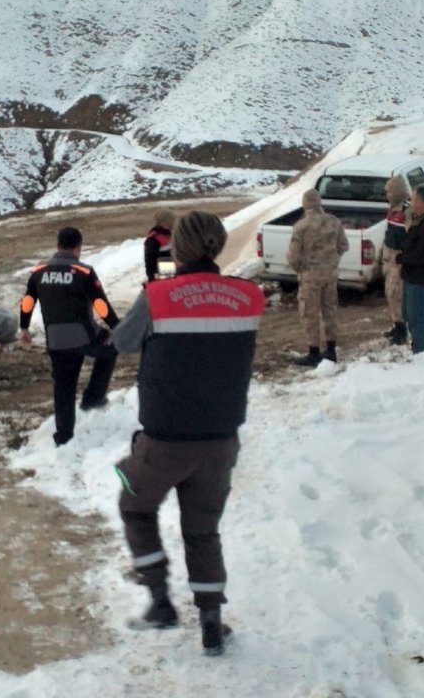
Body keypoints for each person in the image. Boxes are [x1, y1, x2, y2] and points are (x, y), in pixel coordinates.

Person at [112, 211, 264, 656]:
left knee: (133, 502)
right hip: (221, 440)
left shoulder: (157, 296)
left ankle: (160, 601)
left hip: (164, 439)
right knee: (203, 530)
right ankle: (212, 619)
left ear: (177, 247)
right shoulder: (249, 296)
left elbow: (122, 341)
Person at [19, 227, 119, 446]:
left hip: (55, 340)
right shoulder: (83, 271)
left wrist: (24, 327)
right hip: (85, 336)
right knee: (111, 348)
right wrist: (117, 326)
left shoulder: (38, 271)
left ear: (57, 246)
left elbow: (27, 301)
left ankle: (63, 437)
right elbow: (100, 305)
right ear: (78, 247)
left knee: (63, 386)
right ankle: (93, 397)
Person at [286, 189, 349, 366]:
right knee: (330, 311)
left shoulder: (301, 226)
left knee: (310, 313)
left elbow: (292, 255)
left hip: (310, 276)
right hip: (330, 275)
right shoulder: (334, 222)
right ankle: (331, 350)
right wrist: (332, 260)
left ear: (305, 205)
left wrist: (301, 268)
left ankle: (313, 352)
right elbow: (344, 245)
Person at [395, 185, 424, 354]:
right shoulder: (419, 219)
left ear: (421, 201)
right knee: (407, 313)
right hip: (410, 276)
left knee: (416, 316)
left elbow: (421, 255)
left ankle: (421, 351)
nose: (411, 202)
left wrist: (403, 258)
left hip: (420, 277)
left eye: (413, 198)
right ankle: (417, 346)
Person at [382, 176, 409, 345]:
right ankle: (396, 324)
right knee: (389, 293)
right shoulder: (392, 209)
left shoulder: (407, 210)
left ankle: (402, 329)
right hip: (389, 257)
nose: (387, 195)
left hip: (400, 259)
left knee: (397, 293)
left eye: (390, 191)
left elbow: (412, 236)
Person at [144, 209, 175, 281]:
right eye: (172, 220)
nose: (173, 223)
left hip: (171, 272)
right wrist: (152, 278)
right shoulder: (153, 239)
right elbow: (149, 260)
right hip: (163, 275)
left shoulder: (169, 235)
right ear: (165, 221)